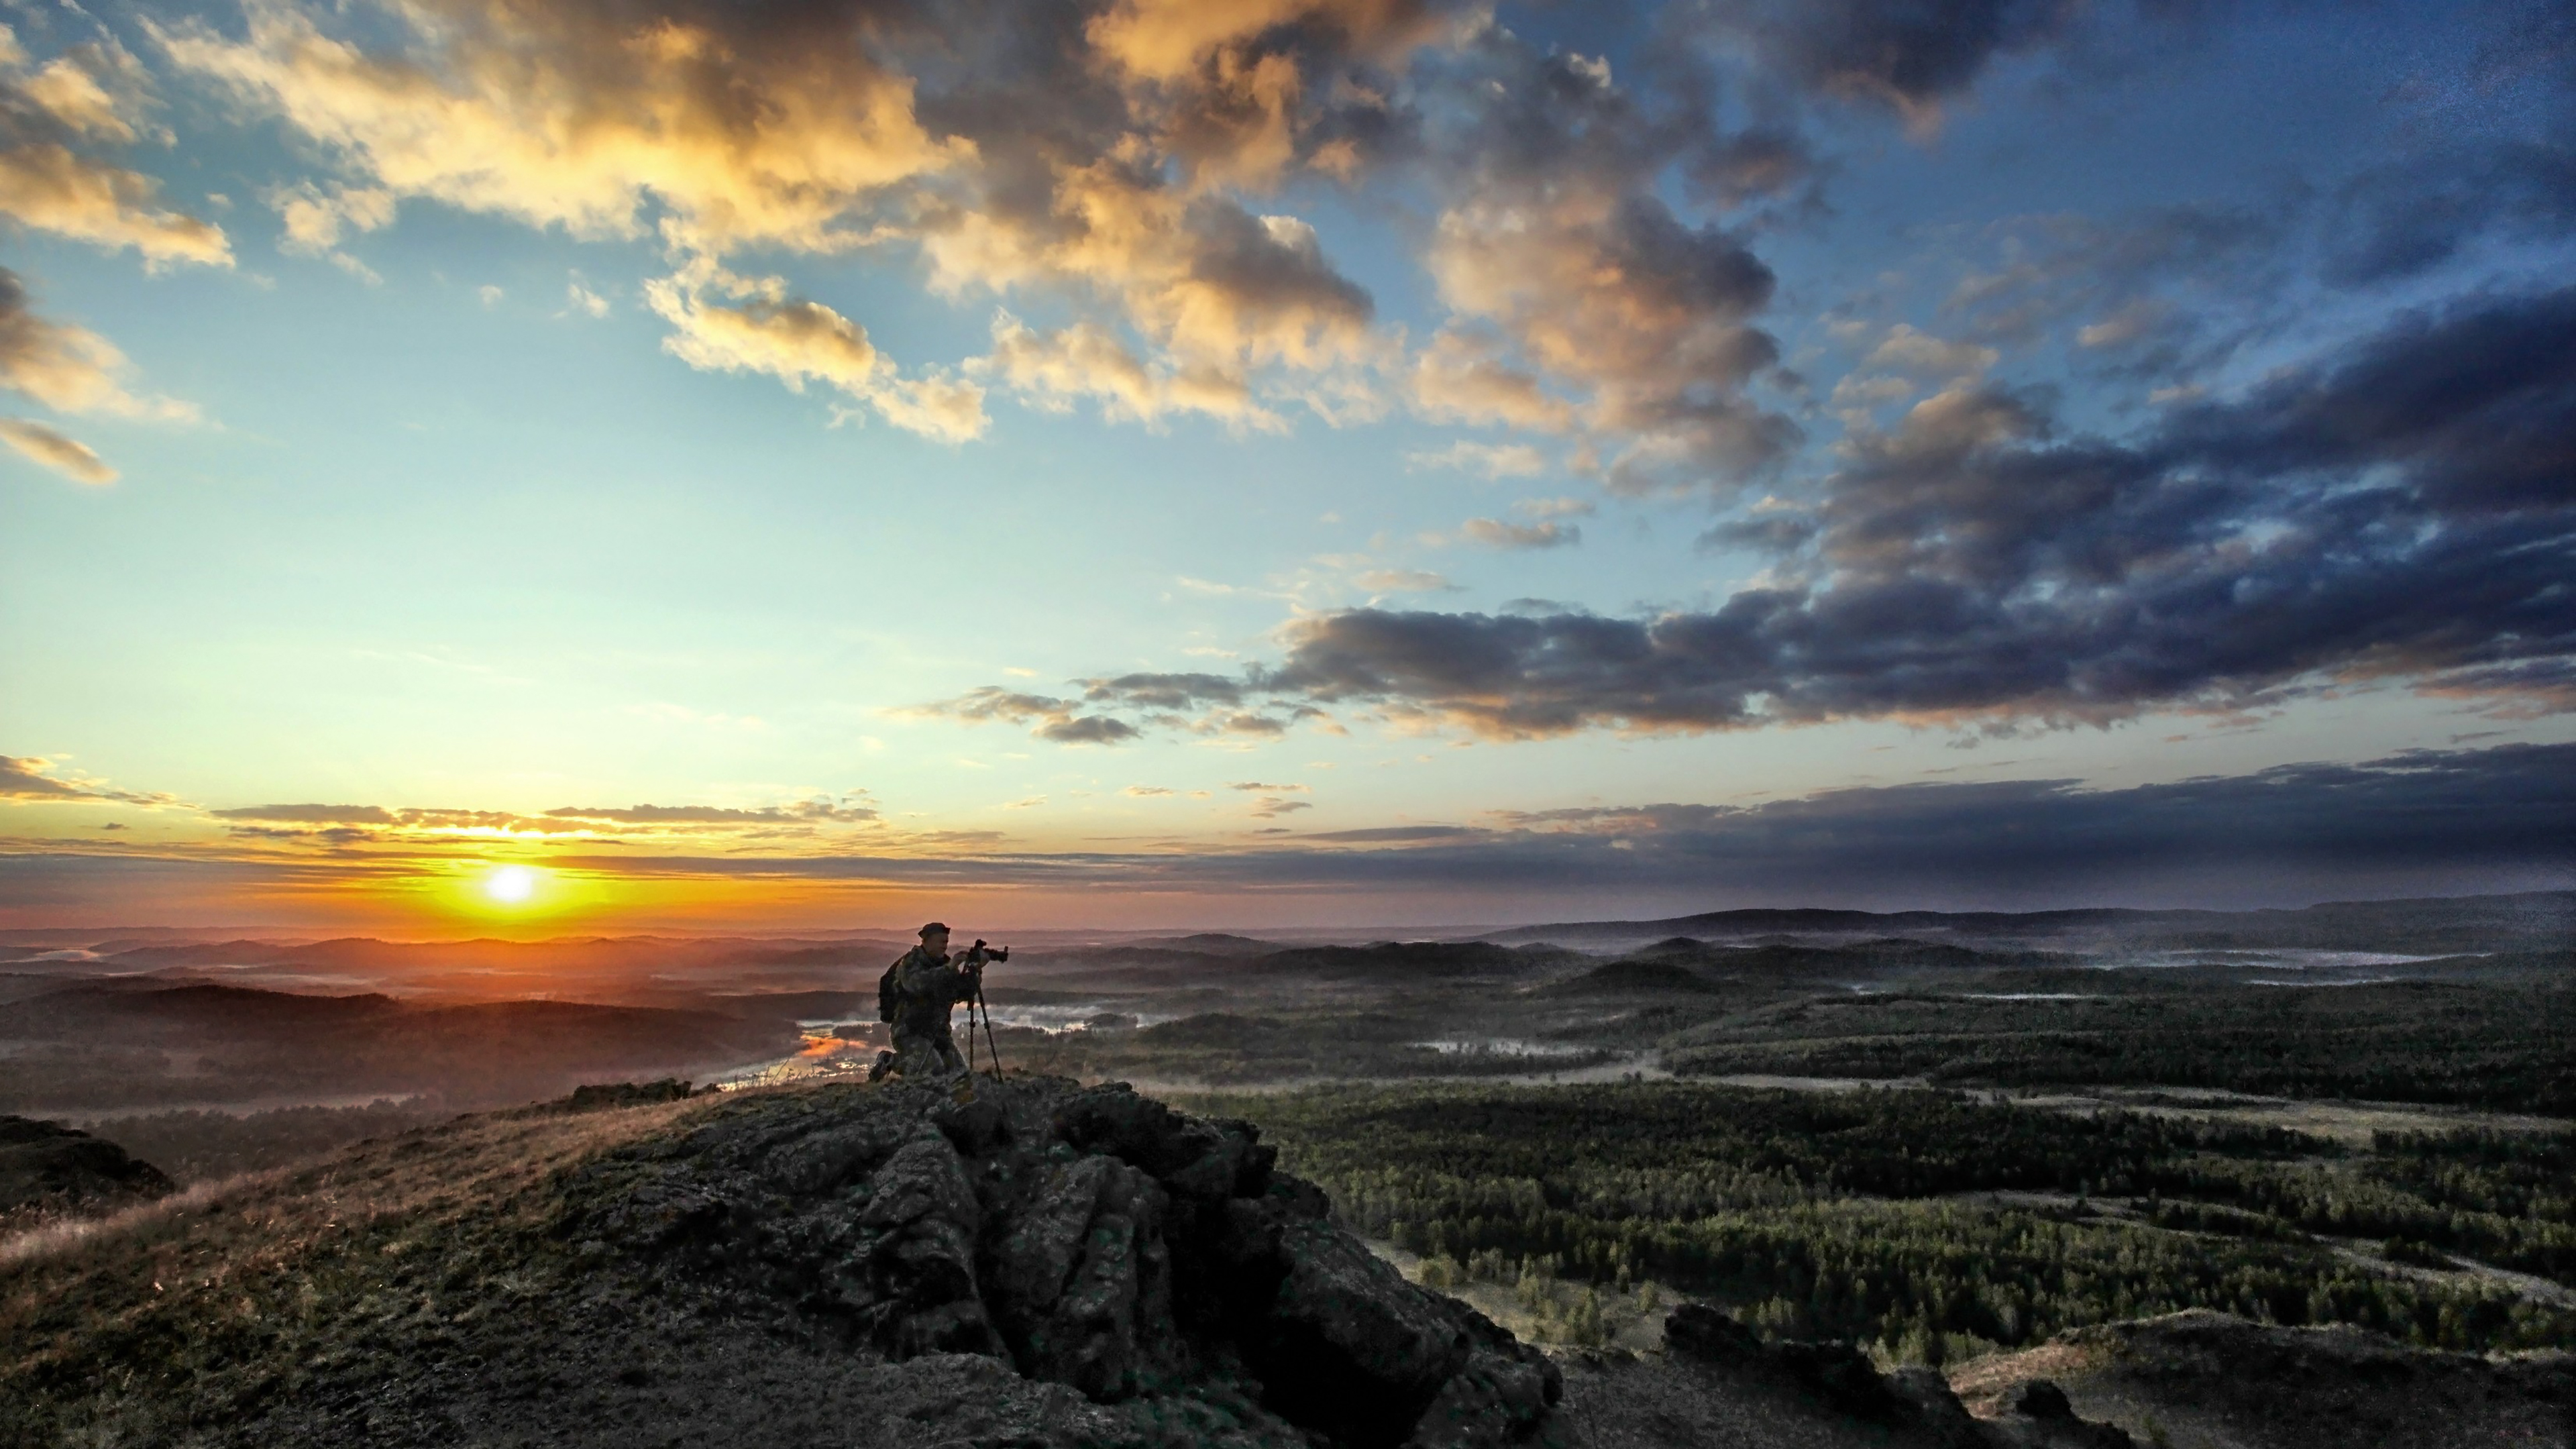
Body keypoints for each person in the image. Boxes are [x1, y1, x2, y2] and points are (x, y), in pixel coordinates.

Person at [869, 921, 985, 1081]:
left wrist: (975, 974)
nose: (945, 946)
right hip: (910, 1031)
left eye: (947, 942)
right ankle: (892, 1061)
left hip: (938, 1032)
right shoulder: (910, 962)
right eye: (941, 942)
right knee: (933, 1069)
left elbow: (959, 993)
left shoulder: (945, 963)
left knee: (959, 1074)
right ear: (927, 941)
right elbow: (917, 985)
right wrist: (950, 967)